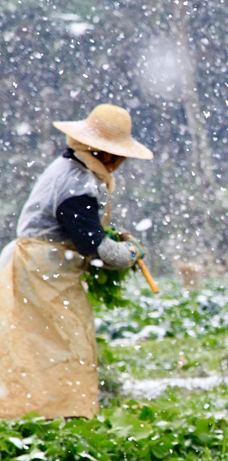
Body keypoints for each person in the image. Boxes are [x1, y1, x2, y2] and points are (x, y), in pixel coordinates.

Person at [0, 104, 153, 419]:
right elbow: (100, 251)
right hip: (41, 271)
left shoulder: (69, 170)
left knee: (44, 346)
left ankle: (47, 414)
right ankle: (55, 415)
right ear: (106, 155)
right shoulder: (77, 184)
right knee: (62, 348)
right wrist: (133, 252)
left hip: (46, 270)